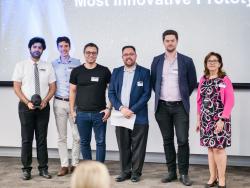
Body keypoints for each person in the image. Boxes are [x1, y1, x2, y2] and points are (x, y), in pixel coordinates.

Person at [151, 30, 197, 186]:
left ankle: (183, 173)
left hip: (180, 107)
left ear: (177, 41)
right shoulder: (157, 60)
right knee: (167, 140)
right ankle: (171, 172)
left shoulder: (187, 61)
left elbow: (192, 83)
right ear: (163, 42)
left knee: (183, 140)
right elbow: (154, 82)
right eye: (167, 40)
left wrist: (182, 96)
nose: (170, 43)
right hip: (162, 107)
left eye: (172, 40)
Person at [12, 37, 56, 180]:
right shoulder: (21, 65)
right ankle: (26, 169)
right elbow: (17, 87)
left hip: (43, 107)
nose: (37, 49)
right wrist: (27, 102)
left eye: (40, 47)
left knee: (42, 139)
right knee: (26, 139)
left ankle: (43, 169)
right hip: (26, 107)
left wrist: (45, 101)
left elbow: (53, 87)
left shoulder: (48, 66)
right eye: (34, 47)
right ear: (30, 48)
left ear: (43, 50)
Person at [108, 46, 151, 182]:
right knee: (123, 144)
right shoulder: (116, 72)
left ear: (136, 56)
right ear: (122, 57)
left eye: (131, 54)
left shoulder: (144, 72)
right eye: (125, 54)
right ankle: (125, 171)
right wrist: (121, 108)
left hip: (138, 115)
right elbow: (111, 93)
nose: (128, 56)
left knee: (138, 146)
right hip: (120, 115)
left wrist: (132, 110)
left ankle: (136, 173)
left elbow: (146, 94)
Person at [196, 52, 234, 188]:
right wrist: (198, 119)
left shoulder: (224, 80)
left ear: (219, 64)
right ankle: (213, 177)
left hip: (220, 119)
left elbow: (230, 101)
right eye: (209, 61)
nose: (212, 63)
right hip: (206, 119)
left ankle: (222, 179)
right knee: (211, 148)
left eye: (215, 60)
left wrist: (222, 119)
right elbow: (199, 101)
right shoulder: (203, 79)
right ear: (206, 64)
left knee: (219, 149)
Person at [69, 43, 112, 163]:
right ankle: (88, 167)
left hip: (100, 114)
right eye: (88, 52)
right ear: (84, 54)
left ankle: (100, 168)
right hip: (81, 113)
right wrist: (72, 111)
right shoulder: (77, 71)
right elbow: (72, 91)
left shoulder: (104, 71)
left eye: (94, 53)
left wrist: (109, 108)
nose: (91, 55)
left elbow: (112, 91)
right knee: (84, 142)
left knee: (100, 142)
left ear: (97, 54)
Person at [52, 36, 81, 176]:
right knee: (62, 137)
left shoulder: (77, 63)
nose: (64, 48)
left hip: (74, 104)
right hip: (59, 102)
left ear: (70, 47)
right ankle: (64, 165)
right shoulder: (53, 64)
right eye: (61, 46)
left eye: (66, 46)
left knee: (77, 136)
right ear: (58, 48)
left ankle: (75, 164)